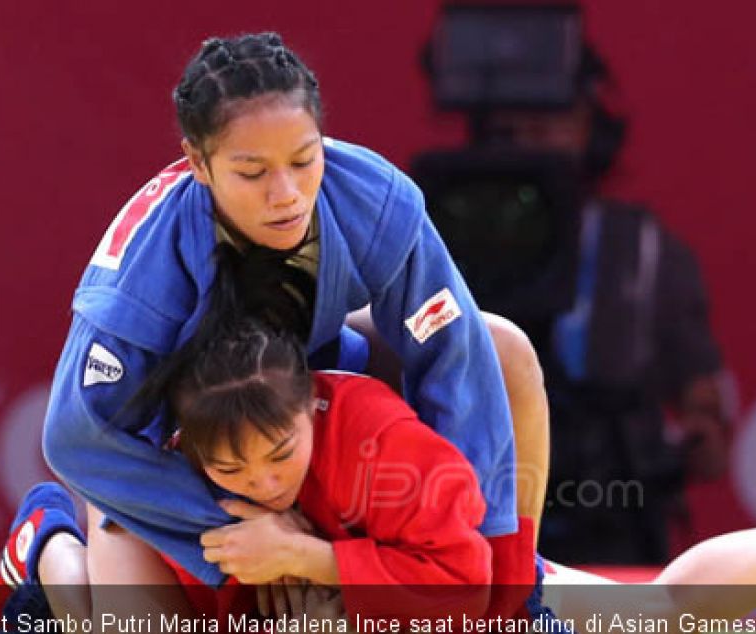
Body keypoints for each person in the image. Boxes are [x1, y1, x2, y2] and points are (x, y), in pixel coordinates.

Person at [27, 30, 548, 597]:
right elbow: (76, 439)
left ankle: (528, 591)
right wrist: (244, 534)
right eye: (253, 173)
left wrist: (502, 587)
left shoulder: (371, 199)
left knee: (498, 349)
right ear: (198, 164)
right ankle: (43, 542)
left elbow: (455, 357)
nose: (286, 194)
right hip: (196, 448)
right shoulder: (143, 274)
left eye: (304, 160)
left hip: (306, 391)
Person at [0, 317, 756, 626]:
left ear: (311, 410)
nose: (262, 479)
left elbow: (468, 580)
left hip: (462, 591)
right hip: (311, 600)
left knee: (658, 620)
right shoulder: (184, 461)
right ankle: (48, 545)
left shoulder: (377, 441)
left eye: (279, 456)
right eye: (235, 465)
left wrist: (311, 563)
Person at [481, 44, 729, 563]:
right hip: (488, 502)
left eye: (554, 120)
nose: (535, 137)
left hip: (619, 507)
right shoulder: (460, 233)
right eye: (518, 123)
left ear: (592, 128)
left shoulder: (644, 247)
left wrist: (704, 426)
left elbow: (703, 403)